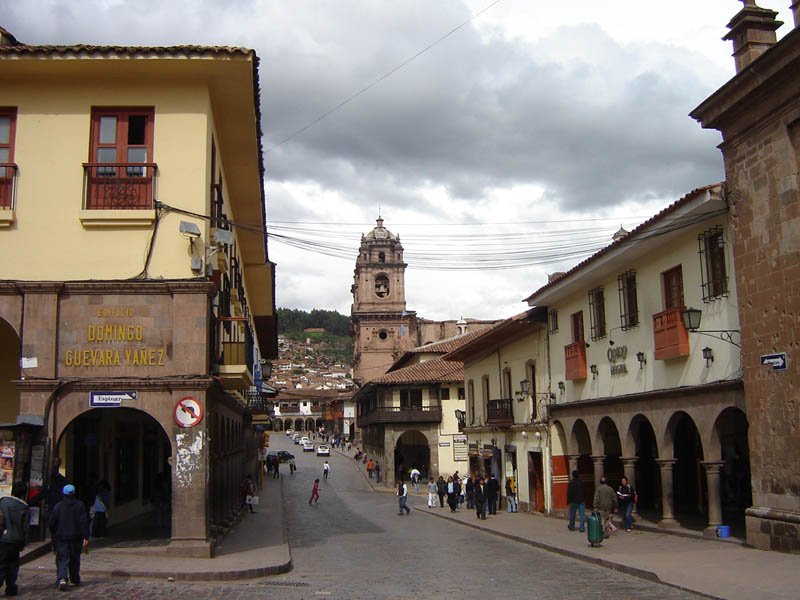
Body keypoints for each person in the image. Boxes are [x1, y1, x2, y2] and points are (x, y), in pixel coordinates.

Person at [48, 484, 89, 591]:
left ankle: (62, 578)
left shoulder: (58, 506)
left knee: (62, 557)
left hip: (61, 536)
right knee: (75, 558)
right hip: (76, 536)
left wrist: (54, 532)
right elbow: (83, 522)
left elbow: (52, 522)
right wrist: (85, 536)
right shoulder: (80, 505)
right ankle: (74, 578)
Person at [0, 482, 30, 596]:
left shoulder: (3, 502)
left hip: (3, 538)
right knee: (13, 565)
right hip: (17, 540)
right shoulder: (24, 507)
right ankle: (11, 587)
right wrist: (24, 542)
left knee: (2, 563)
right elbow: (25, 527)